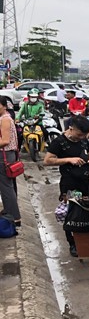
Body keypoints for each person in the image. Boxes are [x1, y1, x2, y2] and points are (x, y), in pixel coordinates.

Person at [44, 116, 89, 257]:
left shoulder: (84, 141)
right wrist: (68, 159)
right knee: (72, 213)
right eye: (79, 134)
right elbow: (47, 160)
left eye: (84, 135)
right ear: (71, 128)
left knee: (87, 210)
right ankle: (72, 243)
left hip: (85, 182)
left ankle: (88, 240)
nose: (81, 137)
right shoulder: (59, 142)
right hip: (69, 183)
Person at [0, 96, 20, 228]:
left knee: (6, 187)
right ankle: (9, 212)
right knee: (7, 186)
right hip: (7, 155)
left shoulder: (5, 119)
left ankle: (13, 216)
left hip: (4, 155)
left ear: (4, 106)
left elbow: (5, 141)